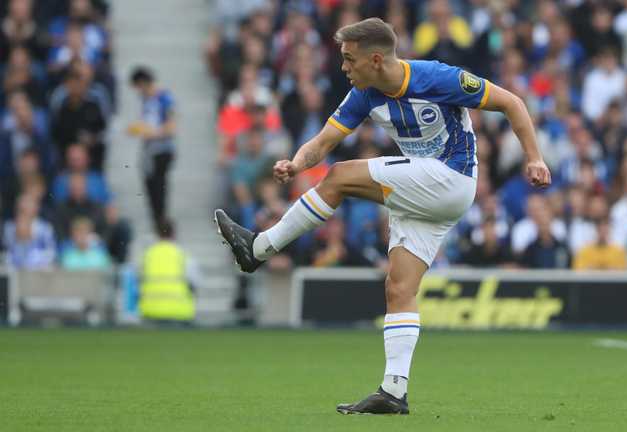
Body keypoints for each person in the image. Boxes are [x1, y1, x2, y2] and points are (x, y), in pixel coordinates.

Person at [214, 18, 550, 415]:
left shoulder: (438, 78)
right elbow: (323, 141)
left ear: (375, 59)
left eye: (348, 59)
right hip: (420, 190)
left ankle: (259, 248)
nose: (343, 67)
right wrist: (296, 163)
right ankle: (394, 391)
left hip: (452, 178)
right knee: (399, 289)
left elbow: (512, 102)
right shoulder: (362, 93)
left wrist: (534, 157)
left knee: (339, 178)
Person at [127, 66, 176, 232]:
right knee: (150, 184)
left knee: (158, 185)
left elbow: (171, 127)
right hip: (149, 150)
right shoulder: (146, 100)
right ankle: (157, 219)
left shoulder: (164, 98)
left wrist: (150, 132)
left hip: (162, 149)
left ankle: (161, 220)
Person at [139, 219, 198, 323]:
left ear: (157, 234)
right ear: (174, 234)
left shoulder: (147, 255)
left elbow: (138, 280)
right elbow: (195, 282)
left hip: (151, 313)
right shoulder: (182, 254)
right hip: (179, 313)